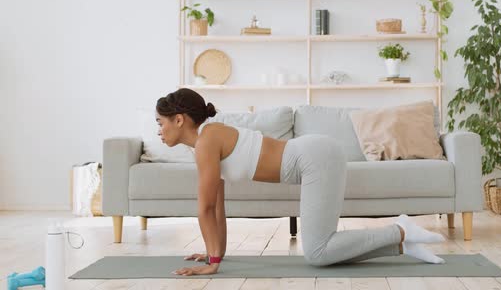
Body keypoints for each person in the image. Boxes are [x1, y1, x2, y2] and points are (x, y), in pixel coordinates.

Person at [155, 89, 446, 276]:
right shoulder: (205, 144)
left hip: (315, 158)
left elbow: (204, 209)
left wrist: (213, 265)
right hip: (314, 156)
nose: (159, 130)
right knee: (321, 249)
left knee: (317, 252)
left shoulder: (208, 140)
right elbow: (217, 207)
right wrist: (215, 254)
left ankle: (400, 229)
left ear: (179, 119)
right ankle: (401, 245)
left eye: (161, 122)